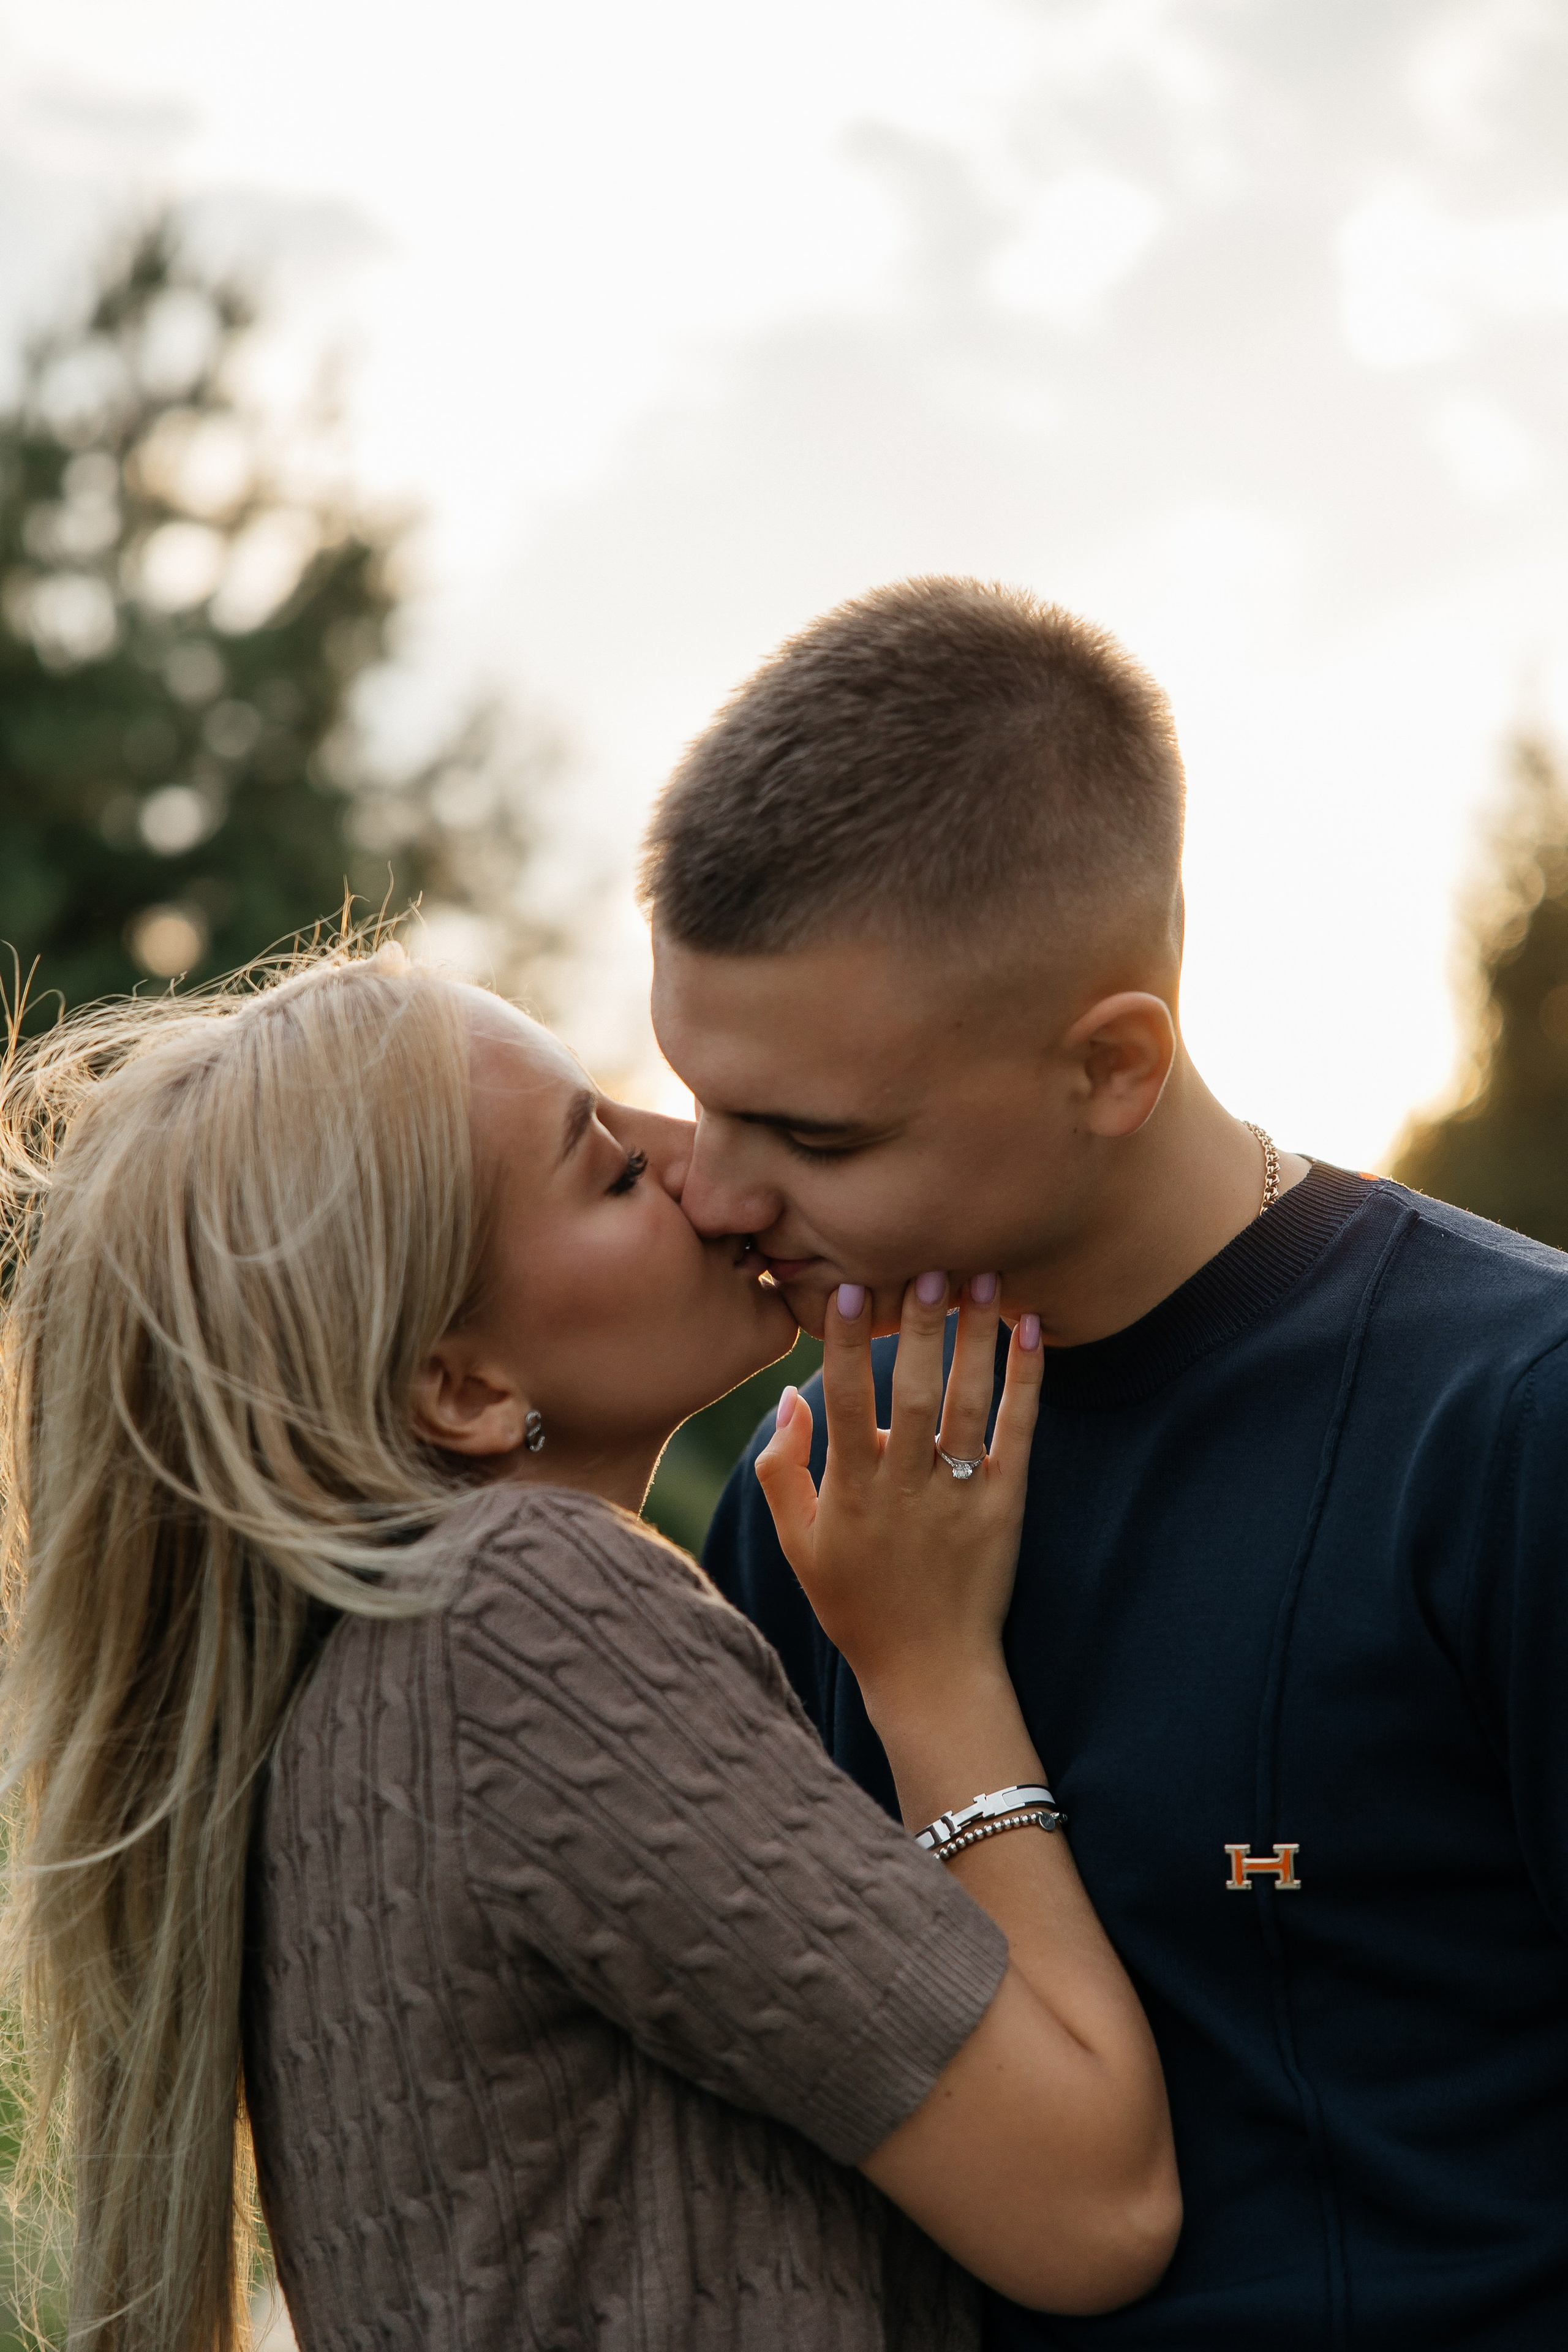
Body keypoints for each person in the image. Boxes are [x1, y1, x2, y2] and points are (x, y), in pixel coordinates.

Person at [0, 940, 1178, 2352]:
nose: (707, 1172)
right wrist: (926, 1663)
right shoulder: (517, 1620)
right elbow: (1091, 2206)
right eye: (612, 1171)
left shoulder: (347, 1700)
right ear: (466, 1388)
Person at [642, 575, 1568, 2352]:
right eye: (699, 1098)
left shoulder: (1509, 1422)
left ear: (1113, 1065)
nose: (718, 1193)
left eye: (812, 1134)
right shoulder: (817, 1473)